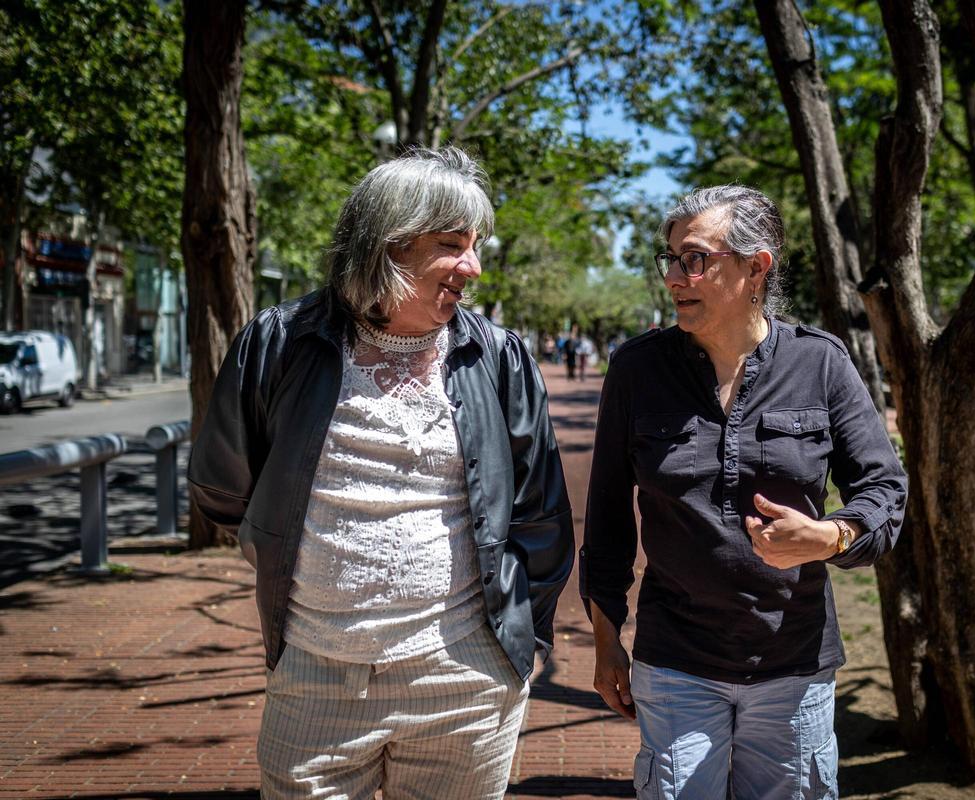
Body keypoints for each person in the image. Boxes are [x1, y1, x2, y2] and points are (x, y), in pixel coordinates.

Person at [189, 147, 574, 800]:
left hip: (468, 681)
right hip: (314, 678)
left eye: (474, 244)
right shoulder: (279, 342)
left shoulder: (499, 356)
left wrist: (522, 645)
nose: (474, 267)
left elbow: (540, 516)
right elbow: (223, 489)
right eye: (454, 245)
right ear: (388, 245)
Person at [581, 185, 907, 800]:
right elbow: (605, 525)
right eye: (671, 259)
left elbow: (885, 490)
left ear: (756, 266)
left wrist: (830, 536)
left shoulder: (822, 364)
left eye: (695, 259)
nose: (676, 276)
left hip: (793, 666)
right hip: (675, 661)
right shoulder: (637, 370)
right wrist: (605, 643)